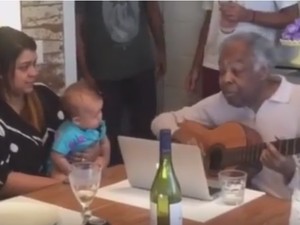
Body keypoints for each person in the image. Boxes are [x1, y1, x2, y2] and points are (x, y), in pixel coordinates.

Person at [152, 32, 300, 199]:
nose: (226, 79)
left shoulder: (296, 101)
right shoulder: (225, 101)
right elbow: (161, 121)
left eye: (236, 71)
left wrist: (291, 171)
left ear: (263, 71)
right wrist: (179, 137)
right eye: (222, 71)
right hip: (233, 205)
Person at [75, 1, 166, 165]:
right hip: (103, 72)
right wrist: (85, 72)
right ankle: (114, 180)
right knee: (109, 134)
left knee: (146, 128)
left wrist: (161, 51)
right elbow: (75, 26)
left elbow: (153, 11)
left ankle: (147, 175)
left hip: (141, 67)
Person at [0, 27, 66, 198]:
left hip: (58, 196)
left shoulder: (44, 96)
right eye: (24, 67)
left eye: (34, 64)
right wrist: (62, 184)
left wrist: (93, 157)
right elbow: (3, 181)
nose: (34, 73)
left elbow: (75, 132)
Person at [186, 1, 299, 99]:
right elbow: (210, 20)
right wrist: (196, 65)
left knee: (247, 121)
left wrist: (249, 15)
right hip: (214, 64)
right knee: (211, 120)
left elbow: (293, 17)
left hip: (251, 68)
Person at [50, 81, 111, 180]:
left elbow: (105, 143)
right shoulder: (69, 134)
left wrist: (104, 160)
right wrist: (72, 172)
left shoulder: (98, 126)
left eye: (100, 110)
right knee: (57, 176)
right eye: (95, 115)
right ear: (77, 120)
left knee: (101, 170)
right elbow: (56, 156)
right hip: (66, 166)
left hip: (88, 164)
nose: (100, 116)